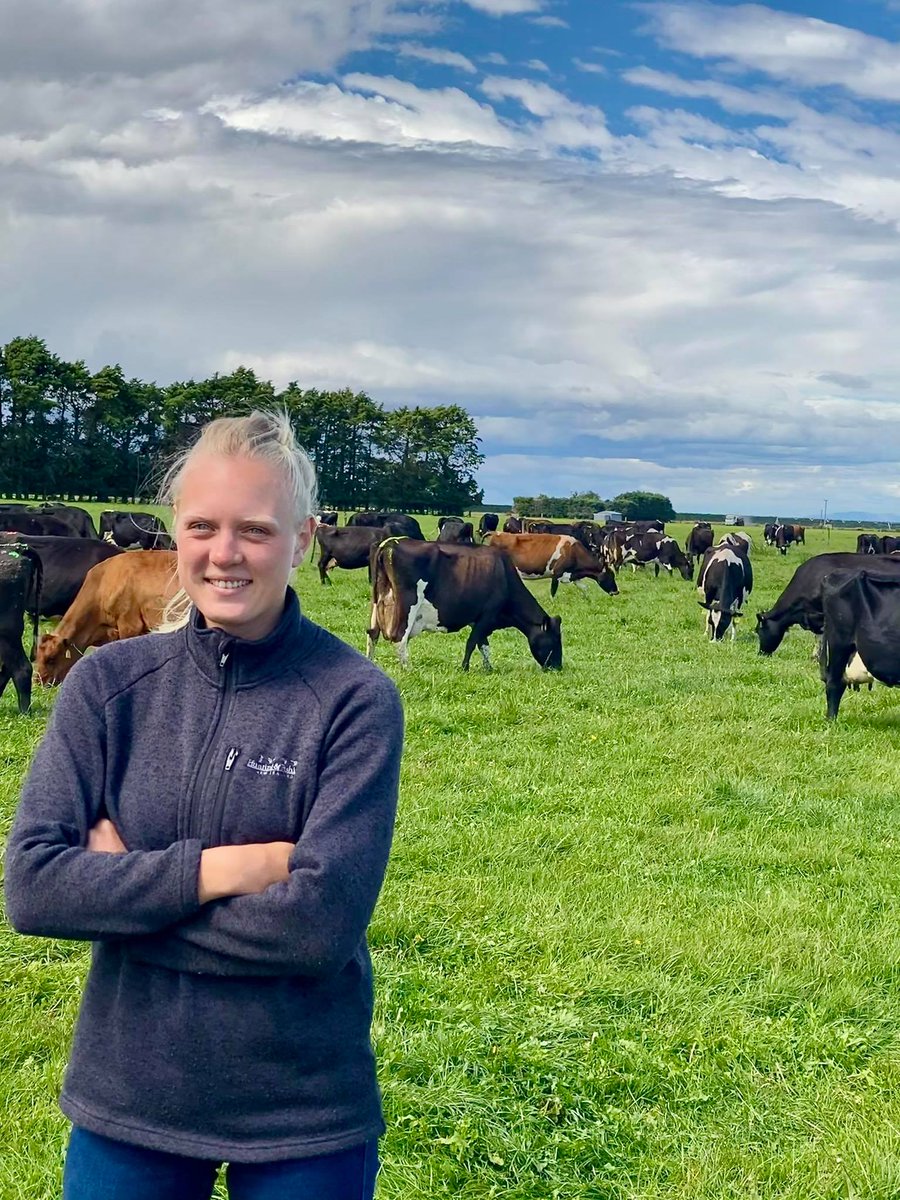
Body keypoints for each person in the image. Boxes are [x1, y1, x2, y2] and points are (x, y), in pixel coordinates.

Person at [5, 411, 404, 1199]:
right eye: (202, 526)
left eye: (256, 530)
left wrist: (124, 895)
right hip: (130, 1103)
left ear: (302, 539)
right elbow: (35, 888)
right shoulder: (105, 688)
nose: (225, 554)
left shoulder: (354, 700)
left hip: (303, 1114)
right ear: (175, 534)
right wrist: (230, 870)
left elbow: (317, 929)